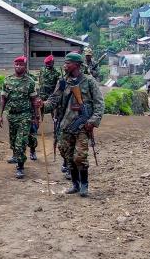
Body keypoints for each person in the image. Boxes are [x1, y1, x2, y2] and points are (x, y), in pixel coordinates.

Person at [38, 52, 104, 196]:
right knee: (67, 155)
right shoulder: (62, 82)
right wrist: (42, 105)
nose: (65, 65)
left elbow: (99, 103)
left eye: (68, 63)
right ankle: (75, 184)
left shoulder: (89, 81)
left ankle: (84, 185)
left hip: (82, 125)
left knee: (80, 157)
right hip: (65, 125)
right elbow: (53, 100)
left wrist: (93, 121)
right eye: (65, 63)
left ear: (77, 65)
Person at [0, 56, 40, 179]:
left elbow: (34, 100)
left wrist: (36, 116)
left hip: (25, 115)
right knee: (13, 138)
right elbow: (3, 99)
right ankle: (15, 156)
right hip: (12, 115)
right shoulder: (7, 80)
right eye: (16, 64)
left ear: (25, 66)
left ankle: (20, 167)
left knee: (21, 141)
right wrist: (0, 115)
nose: (18, 67)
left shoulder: (30, 82)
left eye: (21, 65)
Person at [37, 54, 68, 176]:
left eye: (49, 64)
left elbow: (59, 87)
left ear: (53, 63)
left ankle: (56, 124)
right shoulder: (42, 70)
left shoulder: (57, 73)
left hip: (54, 95)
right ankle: (37, 125)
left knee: (55, 115)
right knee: (40, 112)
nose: (47, 66)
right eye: (46, 64)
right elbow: (40, 80)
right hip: (43, 94)